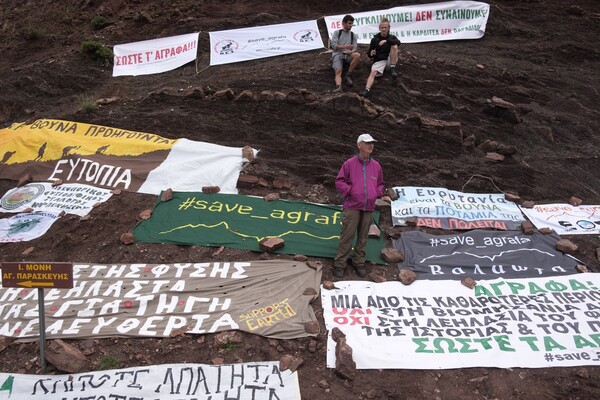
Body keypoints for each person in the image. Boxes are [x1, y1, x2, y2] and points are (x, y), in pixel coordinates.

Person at [334, 133, 390, 278]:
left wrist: (376, 193)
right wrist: (350, 191)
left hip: (369, 206)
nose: (371, 145)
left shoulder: (376, 166)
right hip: (352, 205)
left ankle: (358, 262)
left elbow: (380, 184)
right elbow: (339, 182)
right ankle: (340, 264)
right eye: (367, 143)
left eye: (372, 143)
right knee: (347, 235)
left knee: (363, 236)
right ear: (359, 145)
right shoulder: (349, 164)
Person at [359, 18, 401, 98]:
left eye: (385, 27)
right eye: (382, 27)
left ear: (388, 28)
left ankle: (392, 68)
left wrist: (387, 41)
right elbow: (369, 53)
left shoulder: (392, 37)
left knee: (395, 46)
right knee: (373, 72)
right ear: (379, 28)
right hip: (379, 60)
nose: (384, 29)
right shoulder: (375, 39)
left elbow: (398, 43)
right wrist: (371, 53)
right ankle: (366, 90)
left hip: (390, 60)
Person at [330, 14, 361, 93]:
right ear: (344, 23)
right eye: (349, 23)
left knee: (357, 55)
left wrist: (350, 52)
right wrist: (344, 47)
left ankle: (348, 75)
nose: (351, 25)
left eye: (351, 23)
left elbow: (354, 48)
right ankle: (339, 87)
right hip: (338, 54)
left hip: (348, 54)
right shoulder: (337, 32)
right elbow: (333, 46)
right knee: (338, 71)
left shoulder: (352, 35)